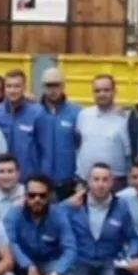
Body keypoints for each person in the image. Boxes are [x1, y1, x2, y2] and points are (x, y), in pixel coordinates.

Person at [62, 163, 138, 275]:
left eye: (105, 179)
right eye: (96, 179)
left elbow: (133, 237)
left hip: (109, 260)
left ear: (112, 183)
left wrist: (130, 255)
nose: (100, 184)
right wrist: (66, 204)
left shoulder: (121, 206)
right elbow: (51, 216)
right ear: (88, 182)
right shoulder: (75, 204)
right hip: (82, 260)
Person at [5, 174, 76, 275]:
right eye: (32, 195)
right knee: (10, 264)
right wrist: (28, 266)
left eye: (42, 195)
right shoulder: (14, 214)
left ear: (49, 196)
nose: (37, 199)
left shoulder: (59, 215)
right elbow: (11, 243)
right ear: (25, 196)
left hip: (48, 262)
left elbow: (70, 249)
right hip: (22, 263)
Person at [0, 69, 47, 183]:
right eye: (9, 86)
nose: (12, 90)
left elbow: (44, 150)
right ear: (4, 89)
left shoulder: (37, 113)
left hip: (28, 180)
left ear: (24, 88)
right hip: (0, 180)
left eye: (17, 86)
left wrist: (42, 179)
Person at [76, 74, 131, 194]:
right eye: (97, 91)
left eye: (106, 90)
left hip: (116, 184)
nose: (102, 94)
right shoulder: (83, 115)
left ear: (114, 91)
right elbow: (79, 145)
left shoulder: (125, 119)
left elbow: (129, 156)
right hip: (86, 182)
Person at [38, 68, 82, 200]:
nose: (52, 90)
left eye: (56, 85)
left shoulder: (77, 113)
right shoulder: (34, 112)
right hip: (40, 182)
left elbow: (82, 147)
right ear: (42, 87)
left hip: (68, 183)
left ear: (63, 85)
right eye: (48, 85)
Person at [0, 154, 25, 219]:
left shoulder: (30, 194)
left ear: (18, 174)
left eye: (10, 171)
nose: (6, 176)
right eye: (1, 172)